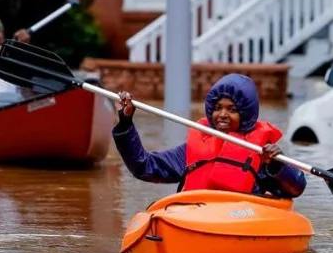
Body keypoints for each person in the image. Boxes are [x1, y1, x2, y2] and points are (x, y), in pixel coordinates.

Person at [112, 74, 307, 199]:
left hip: (242, 220)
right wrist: (125, 122)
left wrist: (276, 165)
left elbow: (295, 189)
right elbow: (144, 167)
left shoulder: (262, 152)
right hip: (196, 217)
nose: (222, 114)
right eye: (217, 108)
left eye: (232, 109)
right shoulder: (192, 150)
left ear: (246, 114)